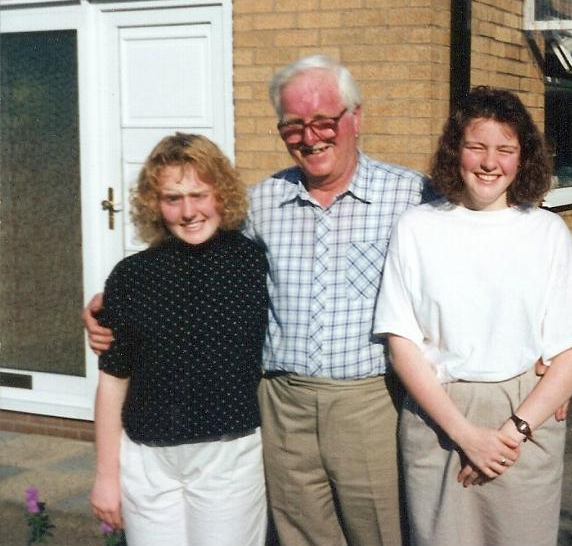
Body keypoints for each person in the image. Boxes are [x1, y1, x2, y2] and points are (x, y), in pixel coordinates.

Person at [85, 55, 428, 546]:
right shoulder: (261, 204)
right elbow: (181, 267)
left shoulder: (412, 195)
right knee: (301, 535)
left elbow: (463, 272)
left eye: (324, 121)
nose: (310, 137)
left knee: (381, 533)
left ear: (357, 117)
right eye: (293, 126)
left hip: (366, 402)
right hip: (280, 404)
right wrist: (104, 308)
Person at [373, 87, 572, 546]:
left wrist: (513, 430)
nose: (489, 162)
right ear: (456, 151)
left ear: (523, 159)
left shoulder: (546, 232)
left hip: (524, 418)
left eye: (505, 149)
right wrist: (465, 434)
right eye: (476, 146)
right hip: (440, 416)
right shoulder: (417, 227)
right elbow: (401, 343)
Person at [89, 133, 269, 546]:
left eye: (199, 195)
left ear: (221, 194)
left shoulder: (252, 263)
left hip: (227, 455)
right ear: (155, 203)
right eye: (173, 198)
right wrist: (106, 476)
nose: (188, 211)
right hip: (148, 460)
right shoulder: (131, 275)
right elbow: (113, 380)